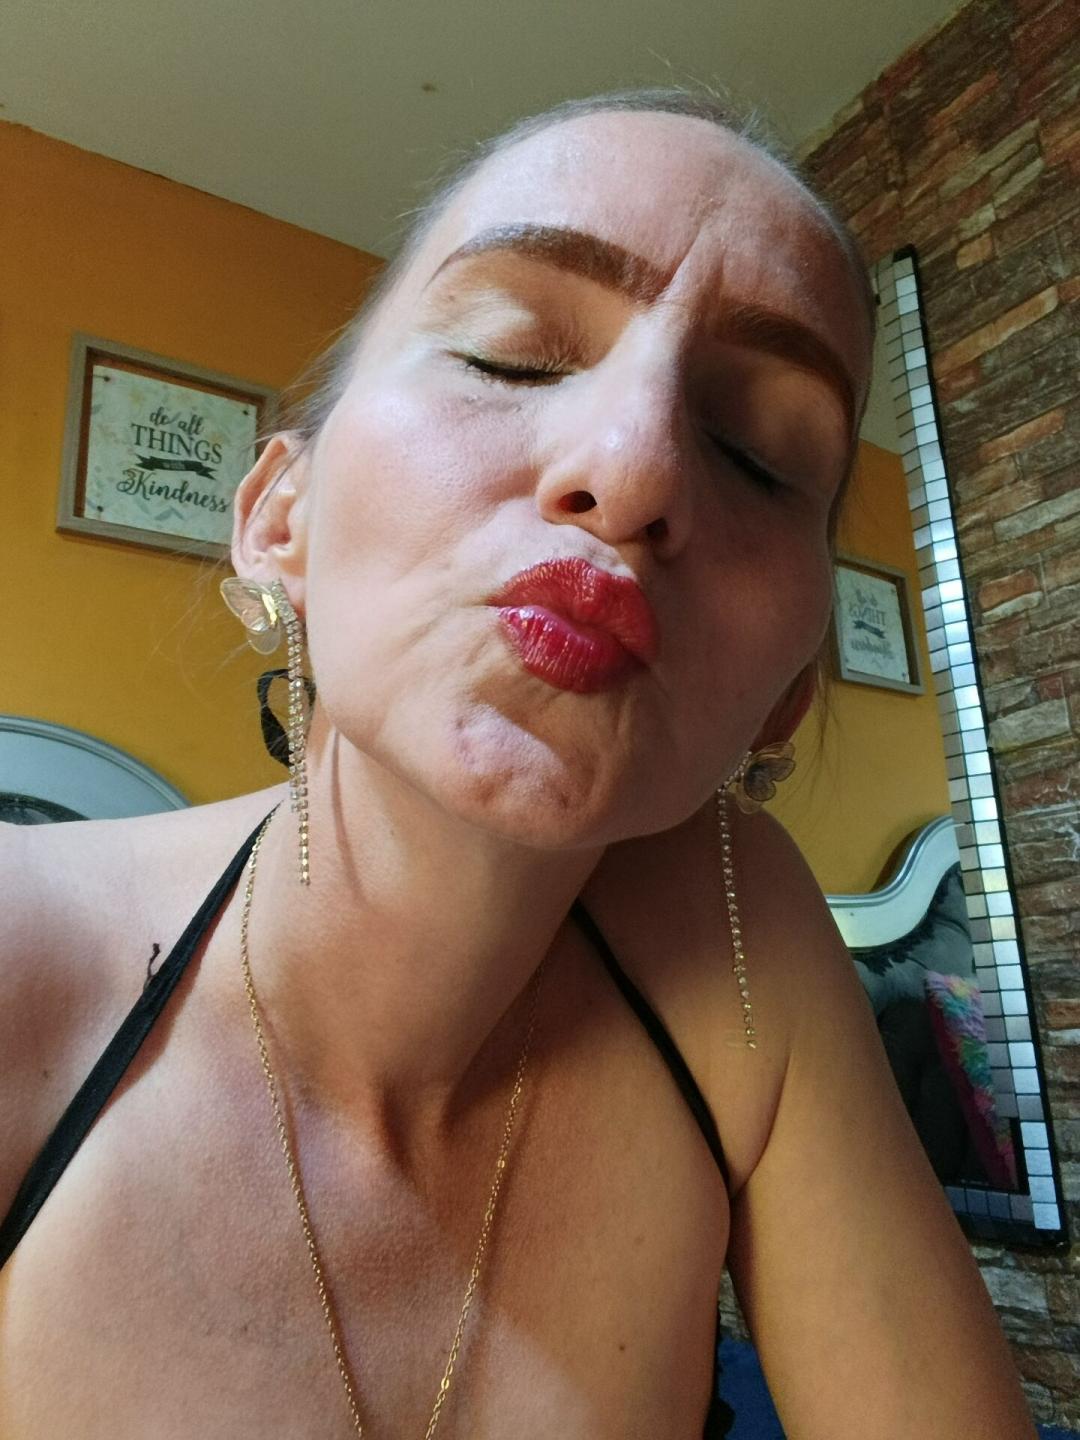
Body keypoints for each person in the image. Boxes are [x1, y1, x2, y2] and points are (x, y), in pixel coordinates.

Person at [0, 88, 1036, 1438]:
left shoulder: (739, 933)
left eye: (756, 453)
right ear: (279, 518)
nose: (637, 467)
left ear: (786, 696)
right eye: (513, 357)